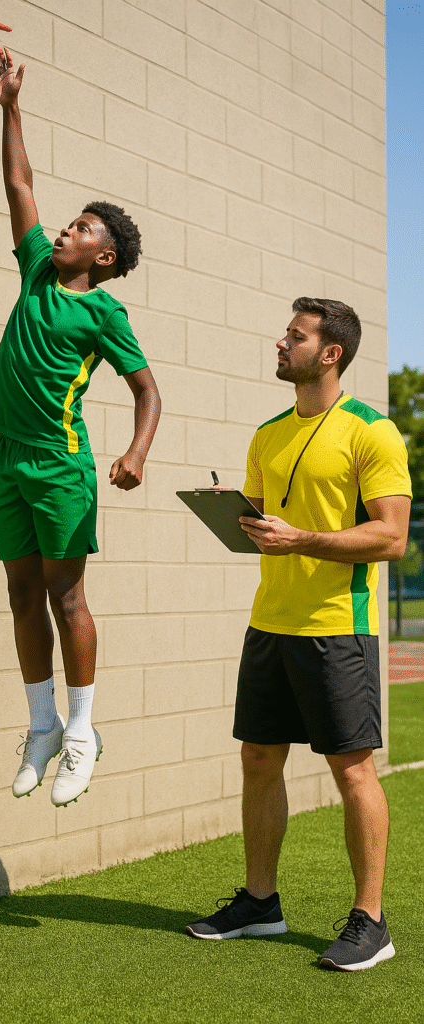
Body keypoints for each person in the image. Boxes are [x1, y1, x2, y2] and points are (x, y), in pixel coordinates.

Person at [185, 298, 411, 972]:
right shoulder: (267, 433)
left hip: (336, 629)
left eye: (295, 335)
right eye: (286, 333)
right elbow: (265, 533)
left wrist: (302, 538)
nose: (280, 343)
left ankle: (369, 921)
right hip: (269, 623)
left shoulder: (372, 432)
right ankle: (259, 904)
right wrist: (240, 520)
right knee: (258, 760)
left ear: (330, 353)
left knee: (352, 769)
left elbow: (391, 537)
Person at [0, 47, 161, 808]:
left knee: (65, 598)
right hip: (9, 456)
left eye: (81, 227)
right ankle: (43, 725)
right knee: (19, 595)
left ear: (103, 254)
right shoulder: (32, 270)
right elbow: (18, 183)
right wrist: (10, 105)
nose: (64, 228)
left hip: (61, 462)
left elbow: (148, 390)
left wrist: (135, 452)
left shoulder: (102, 310)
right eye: (70, 219)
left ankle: (82, 733)